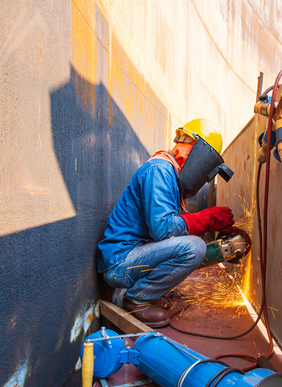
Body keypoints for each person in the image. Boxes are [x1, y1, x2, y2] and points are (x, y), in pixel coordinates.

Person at [97, 119, 235, 327]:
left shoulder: (169, 174)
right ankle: (137, 301)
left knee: (191, 243)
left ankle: (145, 295)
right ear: (196, 150)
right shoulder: (160, 170)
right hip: (120, 262)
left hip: (133, 256)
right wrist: (209, 219)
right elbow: (163, 229)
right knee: (194, 247)